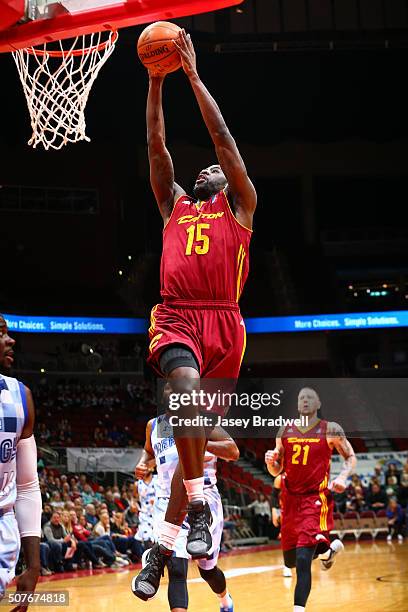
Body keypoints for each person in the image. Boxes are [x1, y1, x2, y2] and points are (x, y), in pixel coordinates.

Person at [132, 28, 256, 601]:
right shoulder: (174, 206)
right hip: (179, 316)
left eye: (215, 167)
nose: (207, 168)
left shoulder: (242, 209)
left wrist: (194, 76)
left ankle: (160, 547)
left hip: (224, 326)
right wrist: (157, 83)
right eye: (202, 167)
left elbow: (224, 138)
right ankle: (200, 506)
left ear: (229, 181)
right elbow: (158, 147)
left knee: (197, 439)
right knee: (181, 390)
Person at [133, 412, 238, 610]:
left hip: (203, 497)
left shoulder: (203, 420)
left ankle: (225, 600)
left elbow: (233, 451)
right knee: (176, 568)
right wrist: (143, 463)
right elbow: (148, 452)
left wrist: (198, 442)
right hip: (167, 500)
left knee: (207, 571)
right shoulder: (154, 425)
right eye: (168, 385)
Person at [265, 387, 357, 612]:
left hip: (314, 499)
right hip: (290, 499)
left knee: (304, 559)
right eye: (301, 398)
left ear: (318, 404)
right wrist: (270, 463)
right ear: (297, 405)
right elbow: (277, 471)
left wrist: (343, 476)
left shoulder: (330, 429)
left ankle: (298, 609)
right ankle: (327, 551)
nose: (305, 400)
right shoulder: (284, 430)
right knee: (291, 561)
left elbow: (350, 456)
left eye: (310, 398)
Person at [0, 314, 42, 611]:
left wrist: (33, 565)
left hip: (4, 526)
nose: (10, 339)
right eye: (0, 333)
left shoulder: (20, 395)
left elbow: (27, 485)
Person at [271, 474, 292, 578]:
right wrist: (274, 510)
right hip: (286, 511)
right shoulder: (280, 478)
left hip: (301, 508)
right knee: (286, 538)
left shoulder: (302, 474)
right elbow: (274, 496)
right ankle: (287, 566)